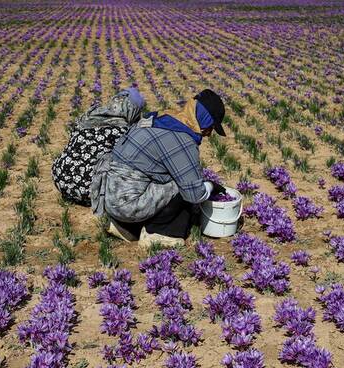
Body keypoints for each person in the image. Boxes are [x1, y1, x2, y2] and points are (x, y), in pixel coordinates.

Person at [90, 88, 227, 248]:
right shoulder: (183, 139)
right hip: (127, 205)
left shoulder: (161, 119)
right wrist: (210, 186)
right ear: (203, 119)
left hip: (108, 197)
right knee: (183, 186)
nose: (209, 134)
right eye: (210, 126)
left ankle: (128, 228)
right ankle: (159, 233)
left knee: (171, 177)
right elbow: (194, 194)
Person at [52, 87, 145, 206]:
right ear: (133, 110)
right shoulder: (123, 130)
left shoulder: (89, 115)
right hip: (89, 189)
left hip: (62, 178)